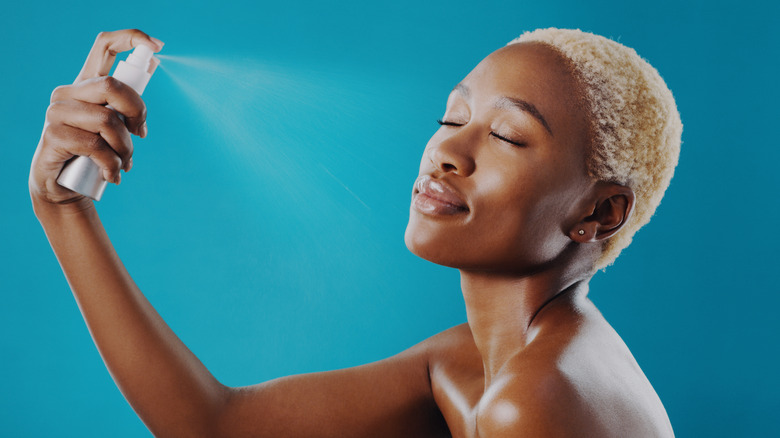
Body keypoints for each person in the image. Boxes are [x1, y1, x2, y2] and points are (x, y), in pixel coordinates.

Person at [30, 27, 681, 437]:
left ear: (600, 213)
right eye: (452, 117)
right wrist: (63, 209)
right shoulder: (476, 361)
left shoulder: (536, 401)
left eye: (508, 135)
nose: (448, 152)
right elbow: (217, 426)